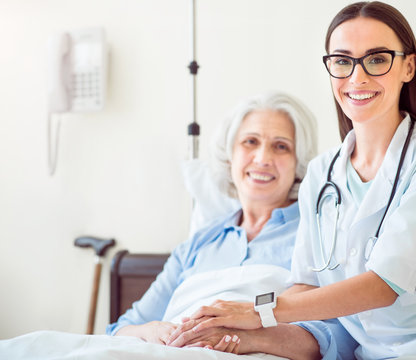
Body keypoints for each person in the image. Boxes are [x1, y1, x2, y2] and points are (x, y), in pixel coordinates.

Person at [182, 2, 416, 359]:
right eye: (343, 61)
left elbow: (385, 285)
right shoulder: (321, 173)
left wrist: (258, 311)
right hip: (372, 353)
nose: (357, 77)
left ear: (408, 66)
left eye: (376, 59)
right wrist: (238, 325)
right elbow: (306, 283)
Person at [107, 91, 356, 359]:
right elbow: (119, 330)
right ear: (230, 155)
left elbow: (341, 339)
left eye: (281, 146)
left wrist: (252, 338)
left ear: (299, 163)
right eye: (250, 142)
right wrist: (153, 332)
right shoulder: (198, 245)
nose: (262, 158)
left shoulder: (321, 235)